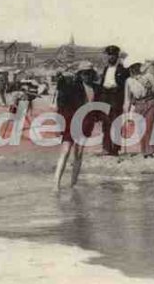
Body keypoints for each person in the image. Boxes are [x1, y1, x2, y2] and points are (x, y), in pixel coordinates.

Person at [54, 62, 98, 190]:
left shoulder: (96, 88)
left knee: (78, 153)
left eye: (89, 73)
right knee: (66, 151)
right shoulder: (72, 87)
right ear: (80, 75)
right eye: (84, 73)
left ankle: (73, 184)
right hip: (71, 122)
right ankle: (56, 184)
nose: (87, 76)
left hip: (86, 123)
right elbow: (62, 106)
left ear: (92, 74)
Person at [124, 62, 154, 158]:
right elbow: (128, 98)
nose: (135, 69)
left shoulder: (149, 77)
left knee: (149, 127)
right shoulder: (129, 81)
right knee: (141, 129)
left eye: (137, 67)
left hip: (151, 102)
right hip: (138, 105)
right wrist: (126, 111)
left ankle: (151, 151)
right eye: (132, 67)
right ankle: (145, 152)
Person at [99, 45, 130, 156]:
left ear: (117, 56)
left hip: (116, 97)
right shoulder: (105, 69)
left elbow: (126, 86)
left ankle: (115, 149)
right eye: (109, 55)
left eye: (113, 55)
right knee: (105, 124)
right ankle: (106, 148)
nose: (110, 58)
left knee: (116, 123)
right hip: (105, 97)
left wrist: (126, 101)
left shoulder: (123, 70)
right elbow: (102, 84)